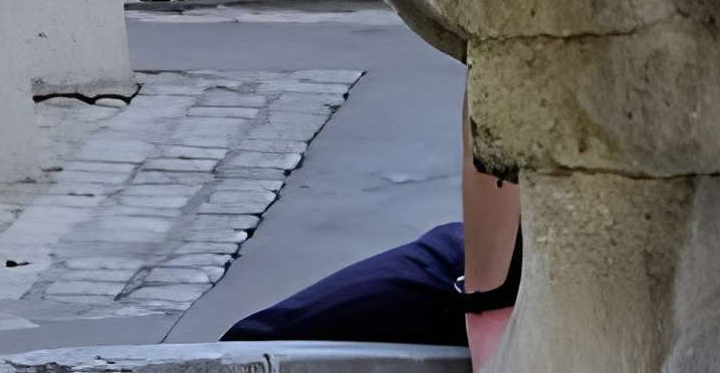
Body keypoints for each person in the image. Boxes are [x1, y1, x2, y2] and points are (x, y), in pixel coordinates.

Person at [222, 143, 521, 366]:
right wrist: (486, 305)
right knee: (253, 348)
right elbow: (490, 152)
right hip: (481, 274)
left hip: (510, 282)